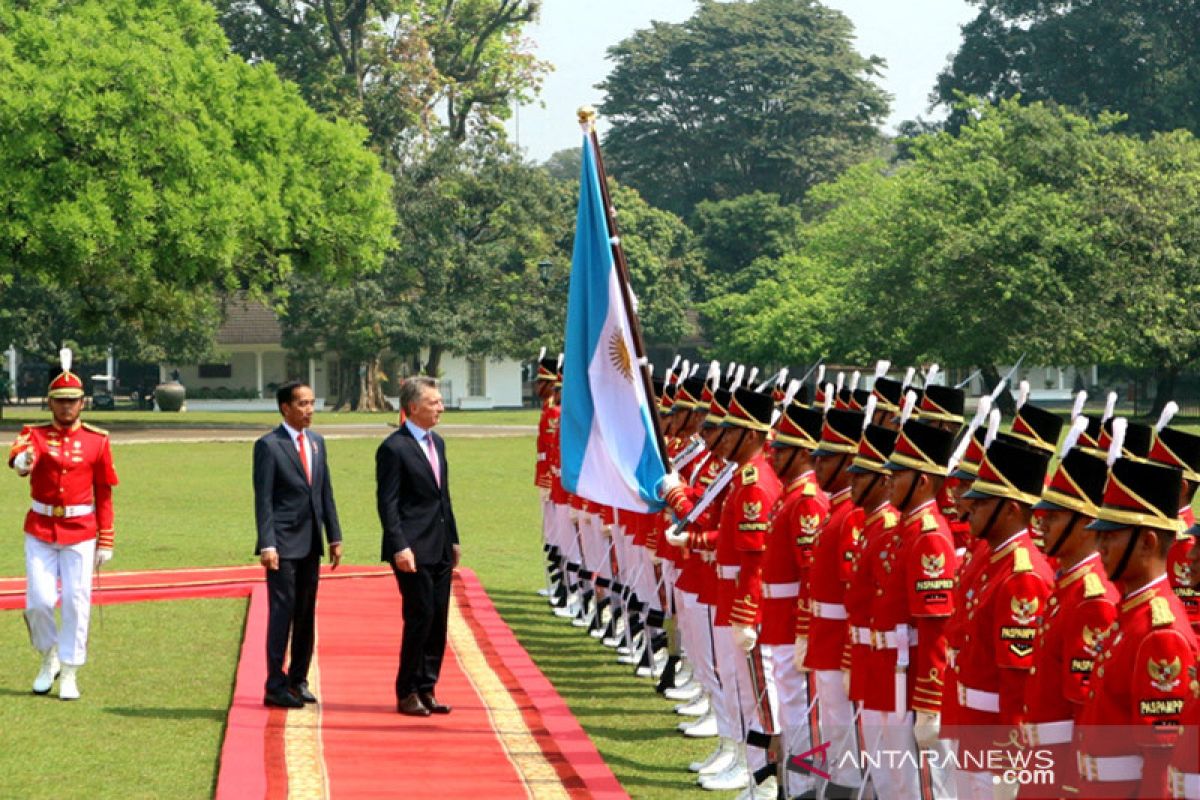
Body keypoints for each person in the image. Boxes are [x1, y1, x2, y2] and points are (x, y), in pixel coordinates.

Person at [7, 349, 118, 700]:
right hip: (40, 527)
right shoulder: (34, 435)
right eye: (60, 401)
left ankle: (70, 669)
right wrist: (22, 461)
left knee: (75, 599)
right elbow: (20, 458)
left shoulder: (97, 440)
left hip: (80, 530)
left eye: (72, 401)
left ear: (83, 403)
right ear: (49, 403)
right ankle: (48, 656)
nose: (66, 407)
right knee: (38, 601)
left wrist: (106, 538)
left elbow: (104, 491)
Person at [253, 380, 343, 709]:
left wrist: (334, 535)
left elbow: (325, 492)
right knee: (283, 613)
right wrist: (267, 544)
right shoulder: (269, 445)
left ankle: (298, 679)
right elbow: (263, 500)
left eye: (312, 403)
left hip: (311, 543)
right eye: (302, 404)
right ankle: (274, 684)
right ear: (285, 408)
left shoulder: (317, 443)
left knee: (306, 613)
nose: (309, 410)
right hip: (282, 543)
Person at [377, 376, 461, 717]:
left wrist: (453, 538)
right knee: (420, 616)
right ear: (413, 408)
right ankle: (407, 690)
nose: (440, 407)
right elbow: (388, 503)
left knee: (438, 619)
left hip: (439, 545)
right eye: (434, 402)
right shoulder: (393, 448)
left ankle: (427, 687)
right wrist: (399, 546)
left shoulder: (437, 443)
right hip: (411, 549)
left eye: (440, 401)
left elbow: (444, 497)